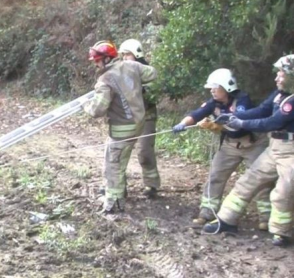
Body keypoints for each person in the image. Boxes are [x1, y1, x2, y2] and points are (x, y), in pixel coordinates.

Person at [203, 55, 294, 246]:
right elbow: (262, 110)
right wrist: (232, 116)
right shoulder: (279, 94)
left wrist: (241, 122)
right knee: (247, 181)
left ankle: (281, 232)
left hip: (290, 152)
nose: (277, 77)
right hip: (274, 147)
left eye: (282, 73)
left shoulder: (291, 101)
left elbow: (272, 122)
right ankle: (227, 220)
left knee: (284, 191)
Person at [172, 69, 271, 230]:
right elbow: (197, 114)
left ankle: (266, 217)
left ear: (227, 87)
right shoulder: (213, 103)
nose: (212, 90)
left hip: (252, 144)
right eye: (211, 88)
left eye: (215, 87)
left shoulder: (242, 100)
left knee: (262, 180)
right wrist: (183, 124)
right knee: (216, 175)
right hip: (230, 145)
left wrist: (216, 125)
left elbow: (239, 124)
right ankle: (207, 212)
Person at [83, 40, 157, 213]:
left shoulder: (105, 80)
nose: (95, 63)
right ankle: (119, 192)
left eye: (97, 59)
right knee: (119, 159)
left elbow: (97, 110)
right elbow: (152, 73)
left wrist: (86, 105)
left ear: (107, 59)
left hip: (122, 128)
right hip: (139, 123)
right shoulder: (132, 66)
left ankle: (114, 204)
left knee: (113, 164)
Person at [118, 39, 160, 198]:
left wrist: (137, 90)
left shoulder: (148, 72)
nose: (125, 58)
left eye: (127, 54)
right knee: (119, 153)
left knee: (144, 152)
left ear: (136, 54)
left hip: (146, 117)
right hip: (126, 119)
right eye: (123, 55)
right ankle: (118, 187)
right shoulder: (120, 72)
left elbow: (152, 94)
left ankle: (152, 185)